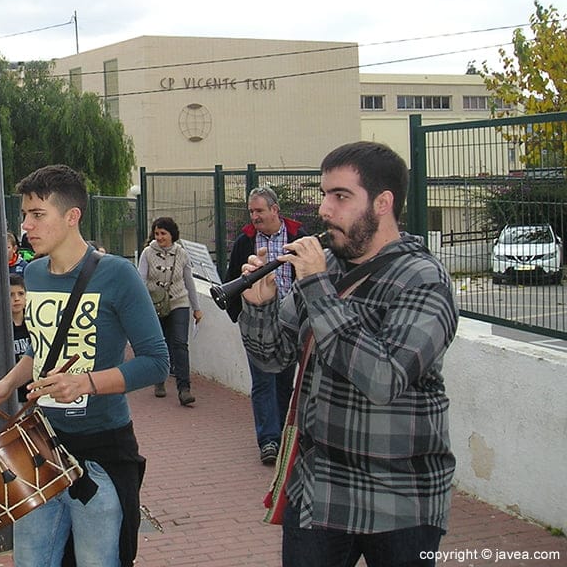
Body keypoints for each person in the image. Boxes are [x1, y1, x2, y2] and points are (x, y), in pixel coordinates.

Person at [238, 141, 457, 567]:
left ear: (383, 203)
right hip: (321, 490)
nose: (324, 209)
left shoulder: (424, 280)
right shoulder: (329, 269)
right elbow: (273, 359)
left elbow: (382, 379)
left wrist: (316, 287)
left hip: (401, 500)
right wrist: (260, 306)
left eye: (340, 196)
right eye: (324, 194)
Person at [0, 164, 169, 567]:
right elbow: (42, 350)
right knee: (30, 561)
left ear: (72, 216)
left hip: (101, 452)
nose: (25, 225)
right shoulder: (33, 272)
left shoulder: (118, 274)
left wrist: (87, 384)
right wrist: (7, 383)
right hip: (41, 448)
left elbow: (156, 362)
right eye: (25, 214)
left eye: (37, 215)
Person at [224, 186, 305, 465]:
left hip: (290, 323)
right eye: (251, 211)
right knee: (262, 382)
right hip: (258, 322)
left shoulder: (298, 237)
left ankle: (283, 433)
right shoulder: (245, 242)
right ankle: (268, 440)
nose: (254, 216)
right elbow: (231, 280)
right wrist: (241, 318)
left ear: (274, 210)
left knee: (284, 381)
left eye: (259, 210)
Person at [137, 216, 203, 406]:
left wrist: (196, 308)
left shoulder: (181, 253)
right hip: (155, 304)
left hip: (178, 302)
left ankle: (184, 389)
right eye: (156, 233)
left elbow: (189, 281)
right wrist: (142, 306)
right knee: (161, 343)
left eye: (163, 233)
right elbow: (141, 280)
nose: (159, 237)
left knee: (180, 343)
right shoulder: (147, 253)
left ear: (172, 234)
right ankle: (159, 379)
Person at [8, 273, 30, 406]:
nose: (16, 299)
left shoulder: (34, 323)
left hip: (33, 389)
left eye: (21, 294)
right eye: (11, 295)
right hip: (13, 392)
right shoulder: (1, 328)